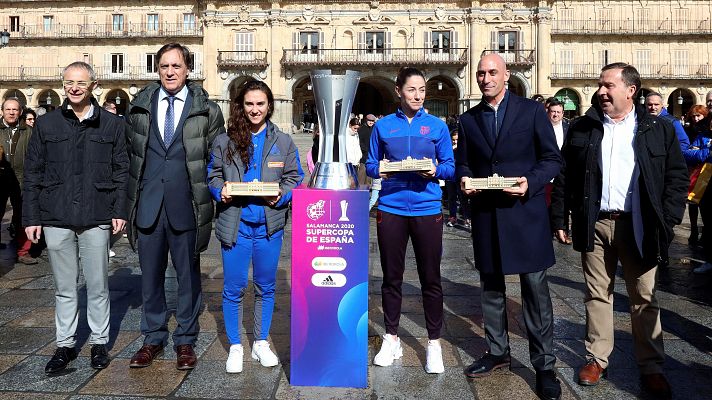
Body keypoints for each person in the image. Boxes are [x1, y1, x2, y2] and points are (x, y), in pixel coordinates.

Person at [551, 63, 688, 400]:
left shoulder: (658, 128)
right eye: (600, 85)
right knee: (597, 294)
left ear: (631, 90)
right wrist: (559, 218)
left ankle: (652, 366)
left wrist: (667, 221)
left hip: (639, 224)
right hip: (594, 222)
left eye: (608, 85)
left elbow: (676, 177)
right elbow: (566, 175)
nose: (601, 91)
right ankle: (597, 359)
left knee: (644, 297)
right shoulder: (584, 127)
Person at [456, 53, 562, 400]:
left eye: (492, 72)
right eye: (480, 73)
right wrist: (465, 180)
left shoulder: (531, 112)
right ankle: (498, 352)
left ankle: (545, 366)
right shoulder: (468, 120)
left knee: (535, 292)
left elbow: (551, 159)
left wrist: (530, 183)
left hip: (525, 214)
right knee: (490, 289)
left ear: (506, 75)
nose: (485, 78)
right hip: (488, 217)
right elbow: (464, 164)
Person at [22, 61, 128, 374]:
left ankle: (99, 342)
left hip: (96, 214)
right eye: (69, 82)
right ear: (63, 85)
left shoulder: (111, 124)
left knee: (97, 286)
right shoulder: (47, 124)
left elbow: (123, 171)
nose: (74, 88)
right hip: (56, 216)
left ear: (94, 85)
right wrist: (31, 217)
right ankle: (65, 345)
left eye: (81, 82)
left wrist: (120, 210)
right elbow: (33, 173)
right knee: (65, 287)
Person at [125, 43, 226, 370]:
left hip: (187, 205)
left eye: (176, 66)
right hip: (149, 206)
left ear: (187, 70)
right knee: (150, 277)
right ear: (158, 70)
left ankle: (185, 339)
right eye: (165, 66)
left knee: (188, 276)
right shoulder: (140, 106)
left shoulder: (207, 110)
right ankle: (152, 337)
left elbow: (217, 159)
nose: (170, 72)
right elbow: (131, 156)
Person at [207, 80, 303, 373]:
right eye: (249, 104)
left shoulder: (283, 141)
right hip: (235, 225)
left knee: (266, 287)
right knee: (234, 287)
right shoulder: (225, 141)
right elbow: (212, 176)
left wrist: (282, 194)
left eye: (260, 103)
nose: (255, 109)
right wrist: (219, 190)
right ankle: (236, 346)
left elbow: (295, 177)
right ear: (241, 106)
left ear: (269, 105)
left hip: (268, 227)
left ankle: (260, 342)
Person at [366, 67, 454, 374]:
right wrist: (382, 169)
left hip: (427, 208)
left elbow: (450, 167)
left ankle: (434, 344)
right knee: (392, 278)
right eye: (412, 90)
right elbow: (370, 164)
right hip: (391, 208)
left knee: (431, 279)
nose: (417, 96)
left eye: (422, 91)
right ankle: (392, 338)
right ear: (398, 91)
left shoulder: (438, 127)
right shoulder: (383, 126)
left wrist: (434, 170)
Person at [0, 98, 35, 265]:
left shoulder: (29, 132)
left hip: (22, 180)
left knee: (23, 216)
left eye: (15, 110)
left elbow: (36, 156)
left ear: (20, 112)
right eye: (8, 109)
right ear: (2, 111)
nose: (12, 112)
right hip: (0, 181)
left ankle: (23, 251)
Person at [684, 105, 709, 246]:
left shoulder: (706, 132)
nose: (695, 118)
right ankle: (694, 229)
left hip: (705, 172)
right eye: (693, 116)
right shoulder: (688, 130)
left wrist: (699, 153)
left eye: (698, 115)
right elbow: (687, 151)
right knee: (692, 201)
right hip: (693, 170)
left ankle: (704, 233)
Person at [445, 129, 470, 228]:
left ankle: (467, 218)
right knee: (452, 198)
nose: (455, 142)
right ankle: (452, 217)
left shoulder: (464, 149)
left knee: (463, 198)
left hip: (460, 177)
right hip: (451, 177)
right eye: (453, 140)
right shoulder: (450, 149)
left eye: (457, 140)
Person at [357, 114, 376, 185]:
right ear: (366, 120)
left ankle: (367, 190)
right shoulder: (362, 129)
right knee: (362, 173)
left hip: (371, 154)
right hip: (364, 154)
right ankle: (359, 191)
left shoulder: (374, 128)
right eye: (369, 121)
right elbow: (359, 142)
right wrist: (364, 150)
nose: (371, 122)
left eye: (372, 121)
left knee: (369, 175)